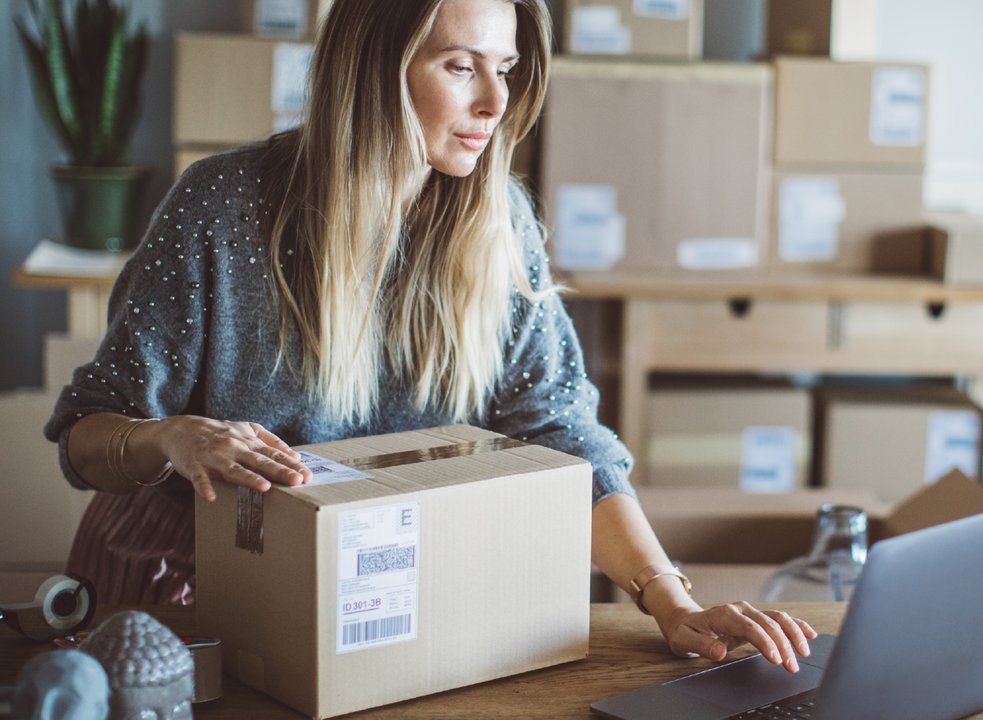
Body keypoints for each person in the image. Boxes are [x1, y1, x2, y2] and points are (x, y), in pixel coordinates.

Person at [45, 0, 816, 672]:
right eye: (460, 66)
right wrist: (173, 436)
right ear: (371, 69)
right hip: (183, 584)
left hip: (376, 591)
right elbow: (85, 434)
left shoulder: (499, 223)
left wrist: (670, 601)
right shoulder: (220, 205)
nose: (494, 102)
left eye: (507, 69)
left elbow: (563, 437)